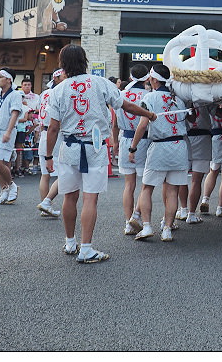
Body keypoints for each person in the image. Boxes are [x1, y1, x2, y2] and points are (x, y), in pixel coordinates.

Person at [46, 45, 156, 263]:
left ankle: (70, 243)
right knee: (90, 198)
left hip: (68, 147)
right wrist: (149, 114)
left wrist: (48, 156)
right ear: (85, 61)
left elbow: (53, 128)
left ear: (62, 64)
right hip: (94, 147)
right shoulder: (100, 83)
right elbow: (125, 105)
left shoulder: (58, 89)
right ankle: (86, 248)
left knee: (69, 196)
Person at [128, 64, 189, 242]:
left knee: (147, 188)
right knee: (172, 191)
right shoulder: (179, 100)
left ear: (154, 79)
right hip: (179, 146)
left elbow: (142, 125)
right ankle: (167, 229)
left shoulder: (150, 97)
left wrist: (133, 147)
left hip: (159, 148)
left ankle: (147, 226)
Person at [114, 65, 151, 234]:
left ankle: (128, 222)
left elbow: (114, 123)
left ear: (130, 77)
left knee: (129, 185)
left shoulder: (120, 95)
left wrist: (114, 142)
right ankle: (137, 216)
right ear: (147, 78)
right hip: (144, 140)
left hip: (124, 138)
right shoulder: (149, 95)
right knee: (146, 184)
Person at [0, 67, 24, 205]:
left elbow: (15, 113)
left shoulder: (15, 94)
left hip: (6, 131)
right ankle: (4, 191)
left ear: (9, 79)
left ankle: (12, 185)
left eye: (0, 77)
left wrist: (9, 131)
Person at [36, 69, 66, 218]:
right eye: (64, 76)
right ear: (57, 78)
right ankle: (47, 202)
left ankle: (44, 206)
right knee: (65, 173)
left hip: (43, 133)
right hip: (56, 134)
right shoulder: (58, 93)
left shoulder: (44, 94)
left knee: (45, 174)